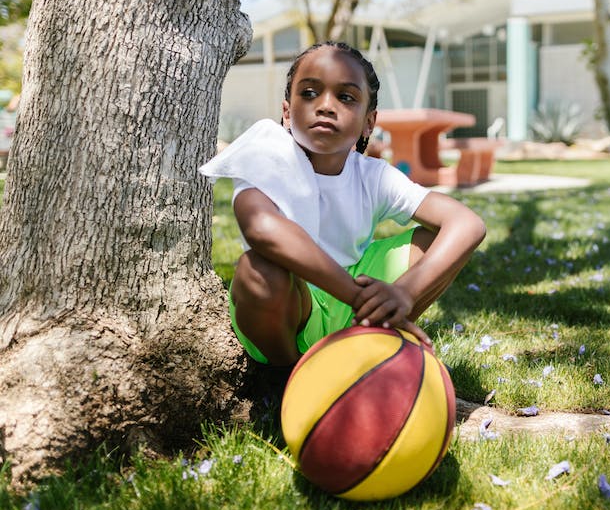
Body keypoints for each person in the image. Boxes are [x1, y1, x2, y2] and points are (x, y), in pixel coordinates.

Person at [200, 41, 486, 366]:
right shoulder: (266, 155)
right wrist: (354, 294)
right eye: (309, 93)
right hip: (292, 306)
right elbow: (262, 229)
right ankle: (292, 374)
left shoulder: (372, 175)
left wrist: (404, 292)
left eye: (346, 97)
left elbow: (468, 224)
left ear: (369, 121)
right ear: (286, 111)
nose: (325, 106)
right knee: (259, 268)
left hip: (354, 306)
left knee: (438, 239)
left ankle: (372, 340)